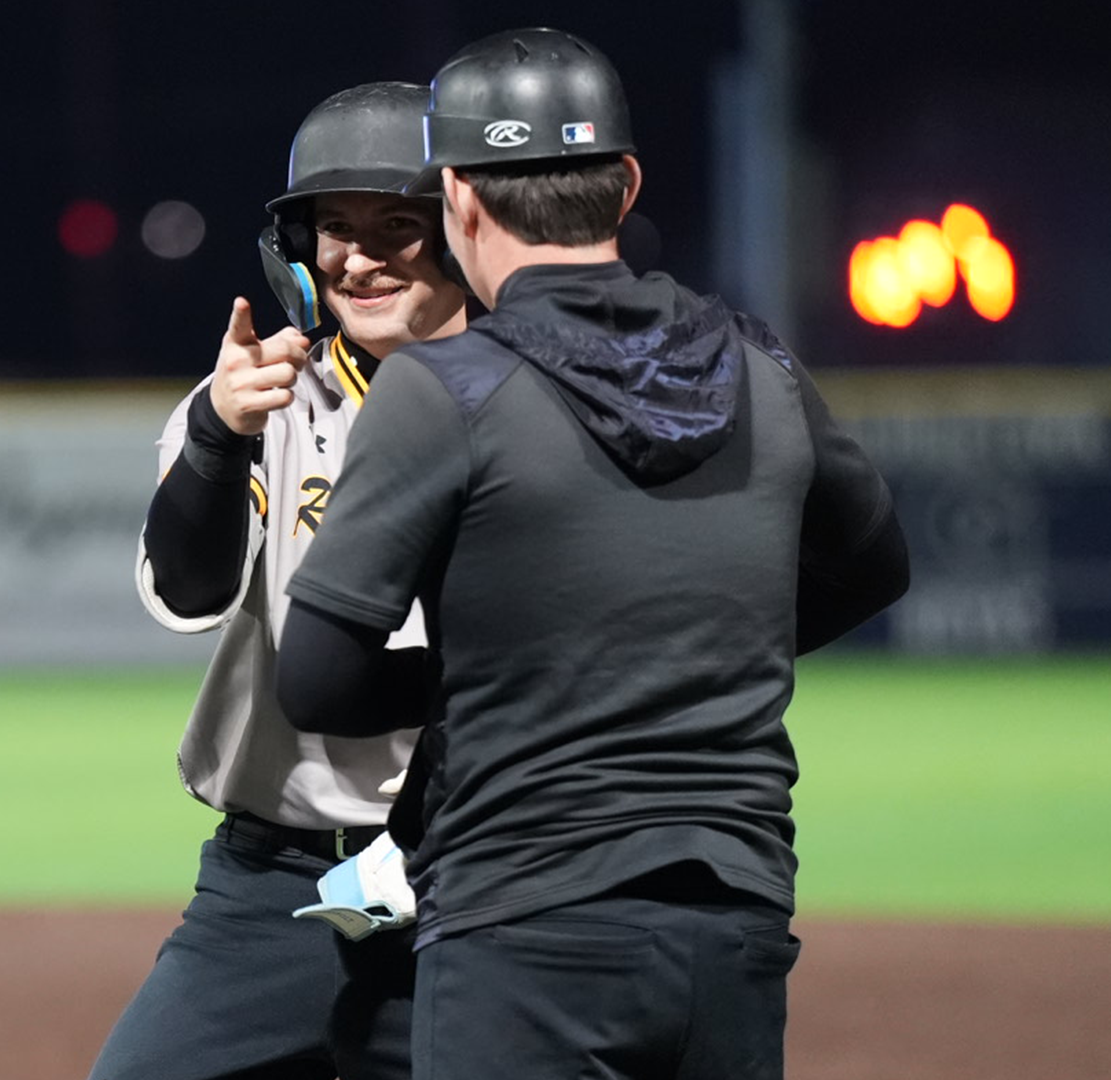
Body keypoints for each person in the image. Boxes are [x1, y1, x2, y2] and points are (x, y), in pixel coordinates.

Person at [275, 28, 910, 1080]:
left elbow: (319, 677)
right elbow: (876, 567)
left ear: (459, 201)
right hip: (737, 912)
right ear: (624, 185)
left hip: (524, 918)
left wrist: (521, 667)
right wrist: (686, 650)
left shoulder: (445, 389)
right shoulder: (761, 364)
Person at [87, 82, 468, 1080]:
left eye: (399, 224)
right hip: (279, 882)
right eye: (334, 227)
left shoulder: (531, 401)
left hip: (480, 876)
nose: (360, 256)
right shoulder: (266, 396)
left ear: (462, 231)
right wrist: (219, 436)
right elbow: (187, 591)